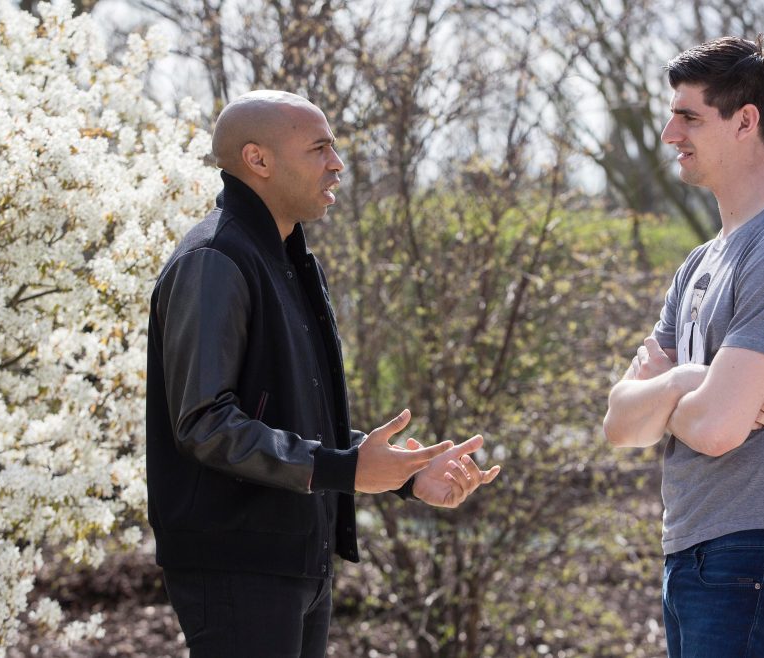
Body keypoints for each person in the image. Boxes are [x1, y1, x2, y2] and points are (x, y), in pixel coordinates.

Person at [146, 90, 501, 658]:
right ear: (258, 160)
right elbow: (206, 424)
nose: (337, 164)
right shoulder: (214, 260)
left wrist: (407, 473)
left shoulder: (289, 262)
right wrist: (344, 468)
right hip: (237, 565)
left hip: (296, 562)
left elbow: (294, 420)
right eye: (319, 148)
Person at [602, 36, 764, 657]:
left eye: (688, 115)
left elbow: (716, 429)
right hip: (695, 546)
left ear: (746, 120)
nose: (668, 133)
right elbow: (619, 424)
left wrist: (680, 400)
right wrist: (692, 380)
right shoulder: (698, 265)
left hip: (758, 552)